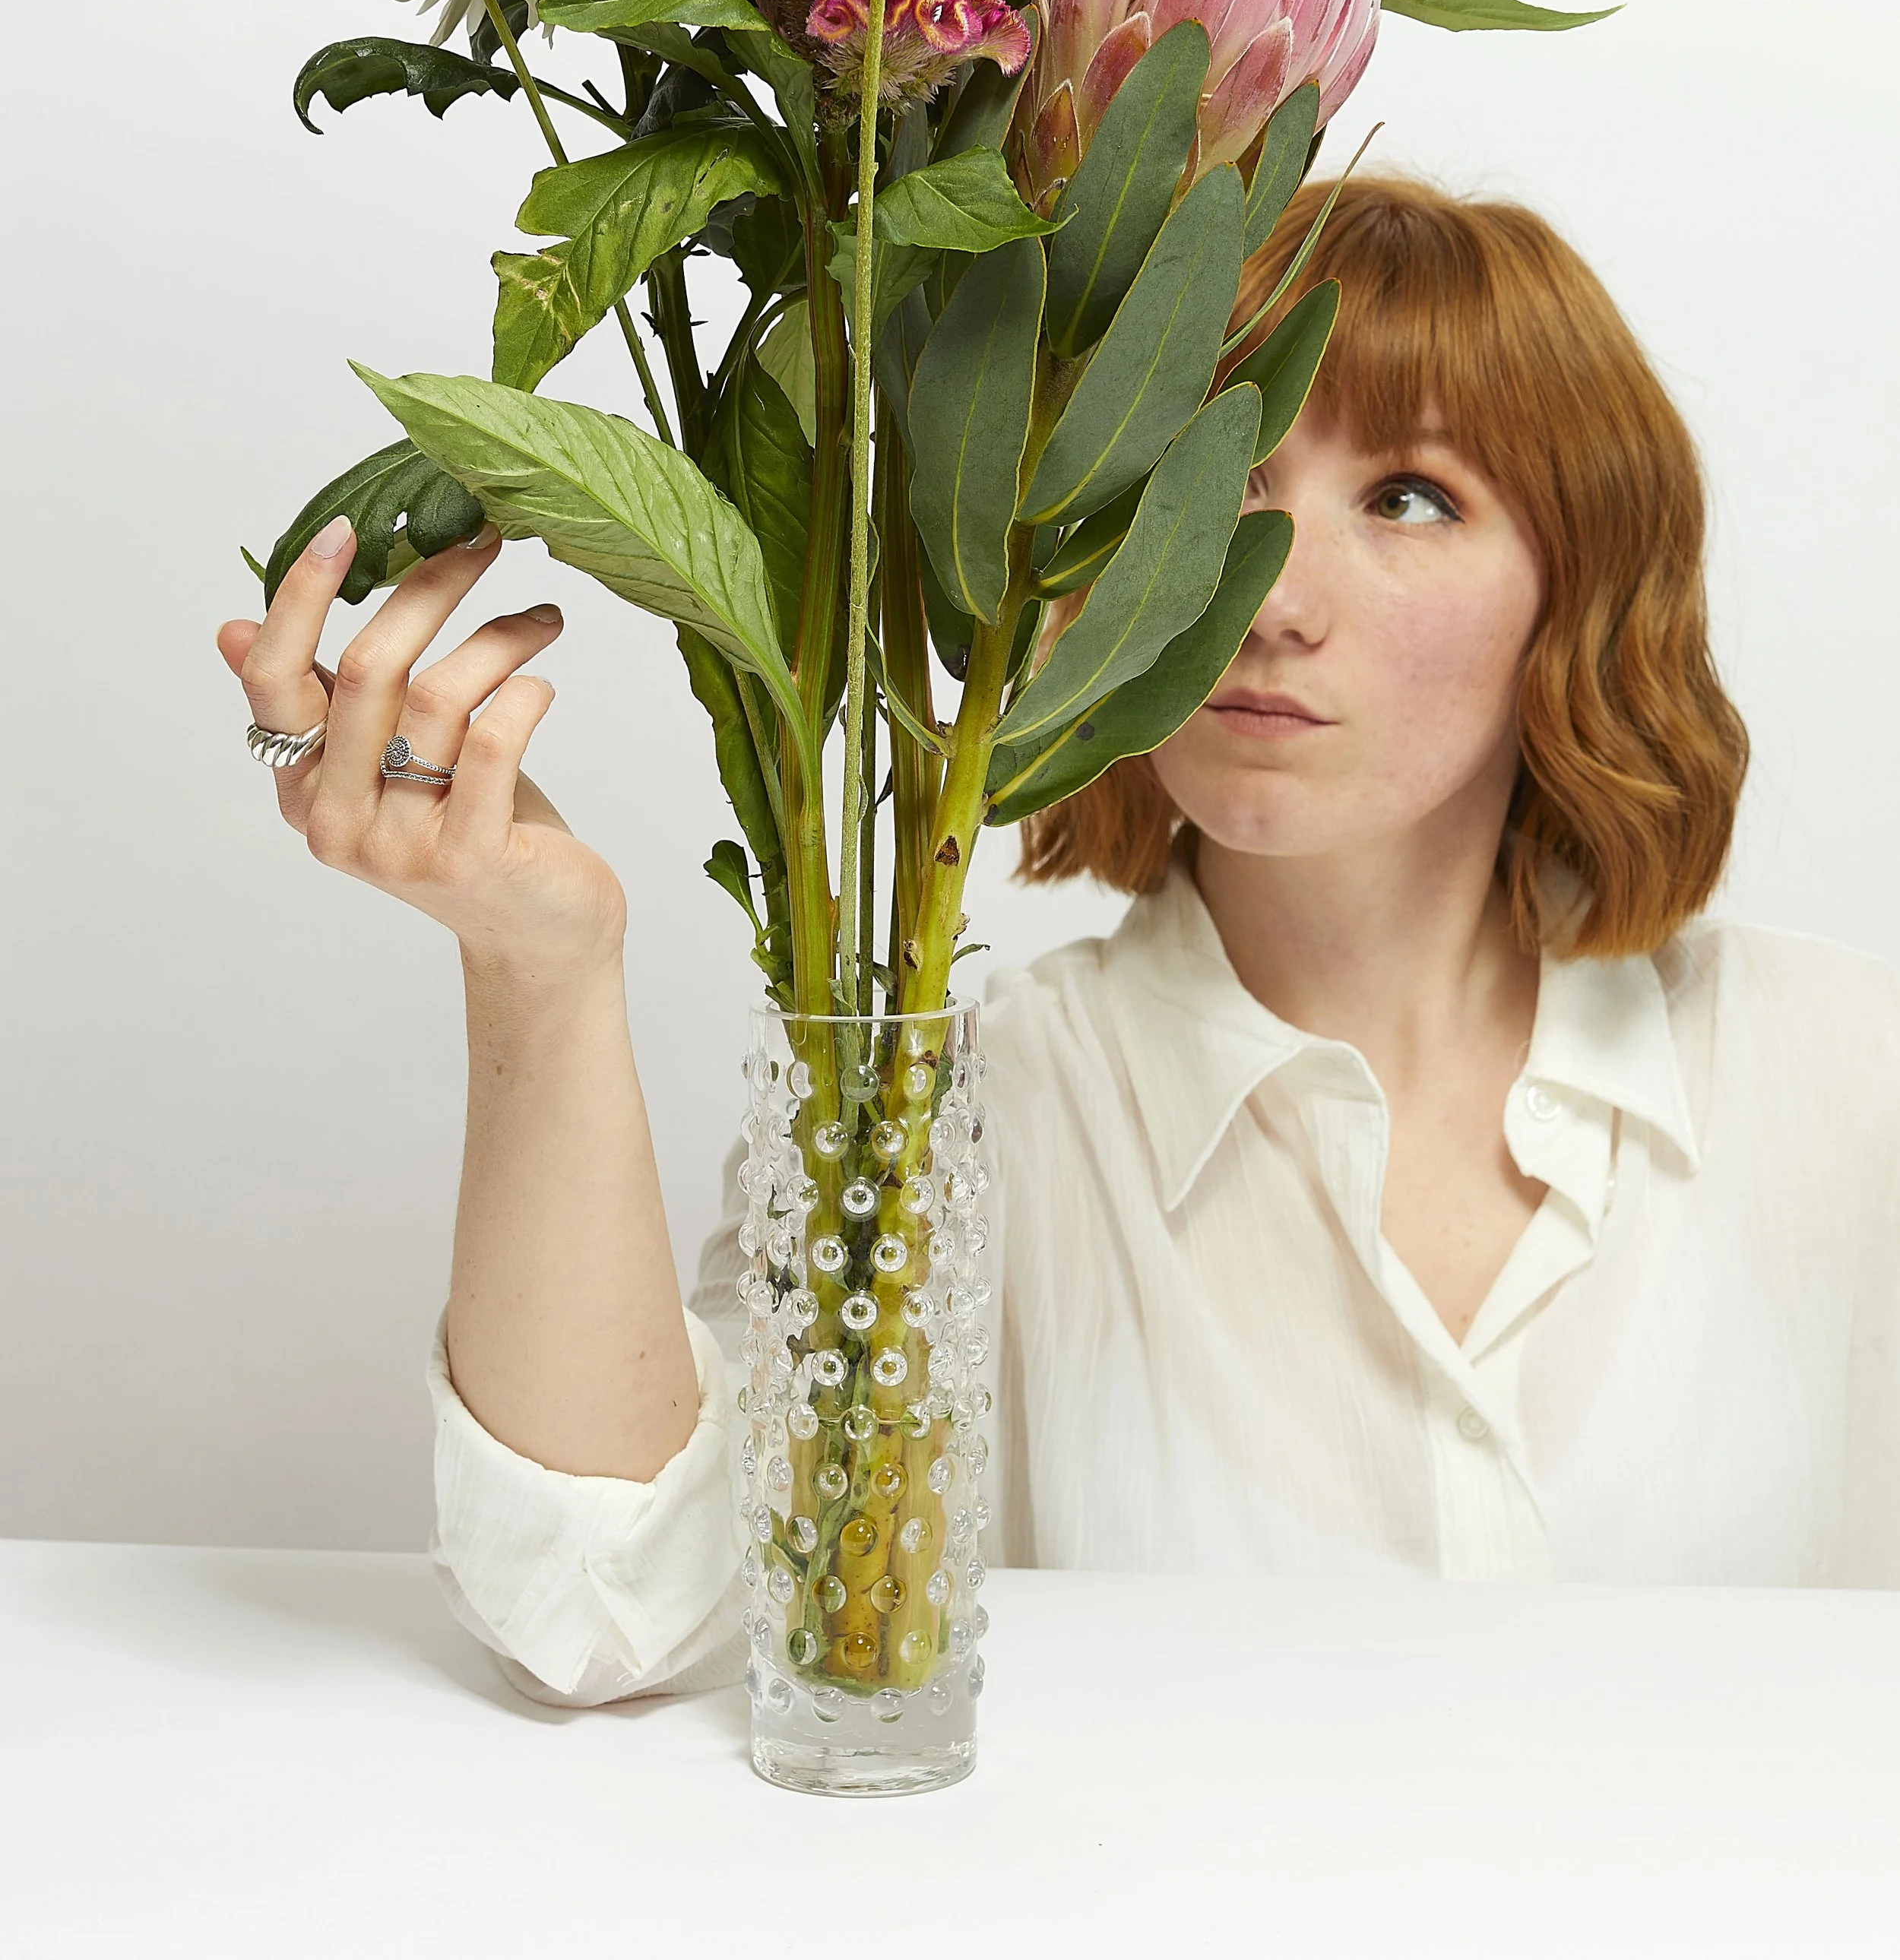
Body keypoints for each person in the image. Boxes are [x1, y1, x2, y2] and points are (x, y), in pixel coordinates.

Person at [218, 176, 1900, 1705]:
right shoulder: (954, 1111)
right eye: (1190, 479)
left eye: (1404, 495)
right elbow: (603, 1608)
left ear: (1580, 584)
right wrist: (539, 965)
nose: (1259, 589)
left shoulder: (1844, 1080)